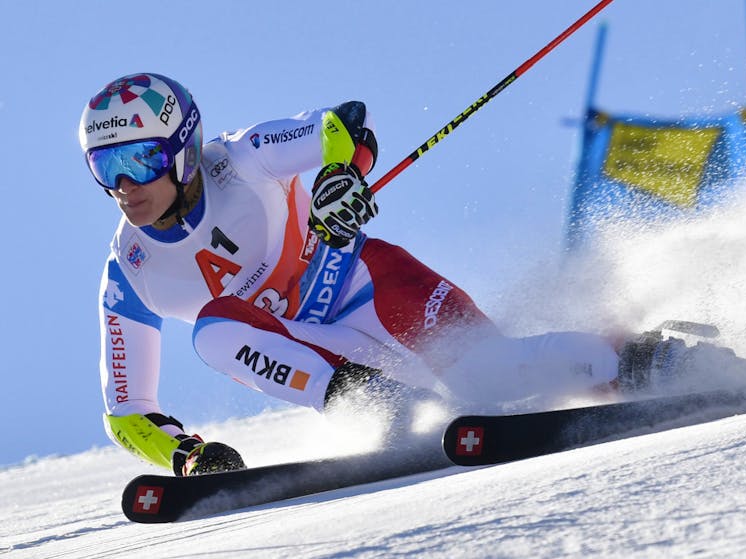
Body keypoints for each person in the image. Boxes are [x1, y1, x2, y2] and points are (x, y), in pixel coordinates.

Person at [80, 72, 710, 477]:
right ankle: (372, 404)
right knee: (214, 329)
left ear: (184, 147)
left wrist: (341, 176)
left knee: (494, 376)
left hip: (371, 288)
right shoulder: (131, 272)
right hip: (320, 357)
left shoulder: (239, 160)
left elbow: (342, 124)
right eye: (106, 168)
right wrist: (186, 456)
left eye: (140, 158)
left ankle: (656, 363)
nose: (126, 186)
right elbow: (126, 412)